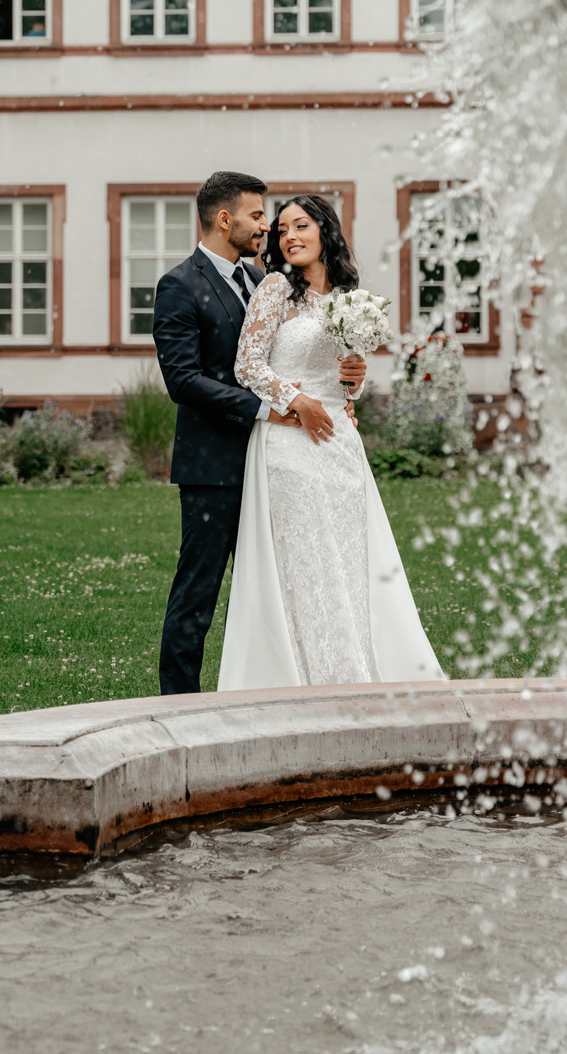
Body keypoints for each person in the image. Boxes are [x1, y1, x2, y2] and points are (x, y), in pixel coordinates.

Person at [152, 171, 367, 694]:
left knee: (280, 585)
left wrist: (347, 381)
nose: (266, 229)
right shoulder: (179, 285)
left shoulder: (265, 280)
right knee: (198, 592)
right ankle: (180, 706)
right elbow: (183, 380)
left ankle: (281, 682)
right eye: (256, 217)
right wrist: (266, 410)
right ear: (224, 219)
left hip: (280, 462)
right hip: (216, 465)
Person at [219, 193, 443, 689]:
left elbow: (346, 382)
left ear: (326, 231)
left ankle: (355, 669)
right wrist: (297, 403)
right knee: (305, 560)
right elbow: (247, 366)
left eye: (301, 226)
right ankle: (303, 674)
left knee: (347, 558)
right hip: (288, 444)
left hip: (340, 442)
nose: (290, 237)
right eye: (282, 231)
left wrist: (355, 377)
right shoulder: (276, 288)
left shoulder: (348, 298)